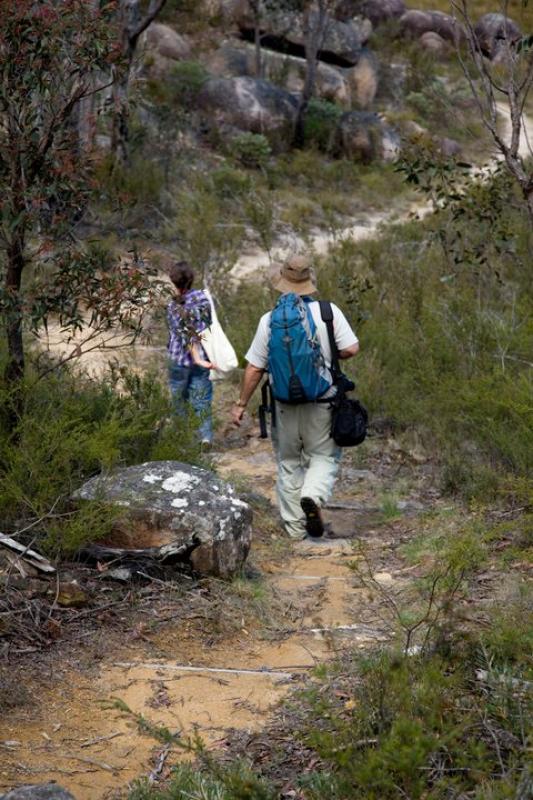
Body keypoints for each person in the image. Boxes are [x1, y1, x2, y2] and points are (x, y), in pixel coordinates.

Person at [231, 255, 359, 541]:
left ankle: (295, 530)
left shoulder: (270, 321)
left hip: (284, 405)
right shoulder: (329, 312)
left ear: (283, 281)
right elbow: (351, 348)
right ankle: (312, 496)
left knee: (289, 462)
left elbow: (254, 367)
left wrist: (240, 404)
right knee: (324, 456)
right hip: (322, 402)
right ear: (309, 281)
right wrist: (326, 356)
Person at [167, 261, 215, 445]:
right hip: (202, 357)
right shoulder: (204, 299)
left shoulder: (173, 305)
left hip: (178, 358)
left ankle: (182, 438)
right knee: (201, 399)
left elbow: (187, 333)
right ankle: (204, 437)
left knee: (179, 400)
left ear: (174, 282)